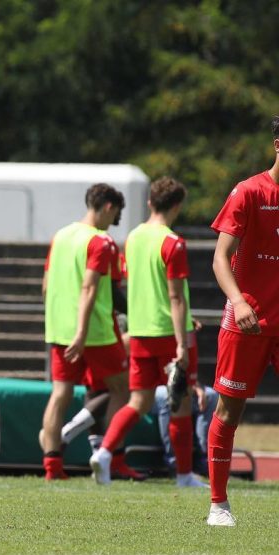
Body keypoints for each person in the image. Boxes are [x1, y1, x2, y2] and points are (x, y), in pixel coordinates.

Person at [88, 177, 206, 487]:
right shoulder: (173, 243)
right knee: (179, 405)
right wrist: (183, 343)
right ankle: (183, 476)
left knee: (137, 402)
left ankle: (103, 452)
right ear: (177, 206)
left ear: (150, 202)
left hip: (140, 333)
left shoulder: (134, 238)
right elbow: (176, 297)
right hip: (169, 332)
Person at [203, 115, 279, 527]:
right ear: (277, 144)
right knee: (229, 412)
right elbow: (219, 257)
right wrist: (239, 301)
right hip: (247, 321)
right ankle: (218, 504)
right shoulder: (249, 191)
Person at [39, 183, 129, 482]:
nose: (113, 221)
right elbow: (90, 287)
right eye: (115, 214)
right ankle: (111, 459)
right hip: (95, 331)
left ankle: (52, 466)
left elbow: (46, 285)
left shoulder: (61, 236)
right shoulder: (101, 241)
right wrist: (81, 333)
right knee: (121, 389)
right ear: (107, 207)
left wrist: (61, 323)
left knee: (60, 394)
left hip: (59, 329)